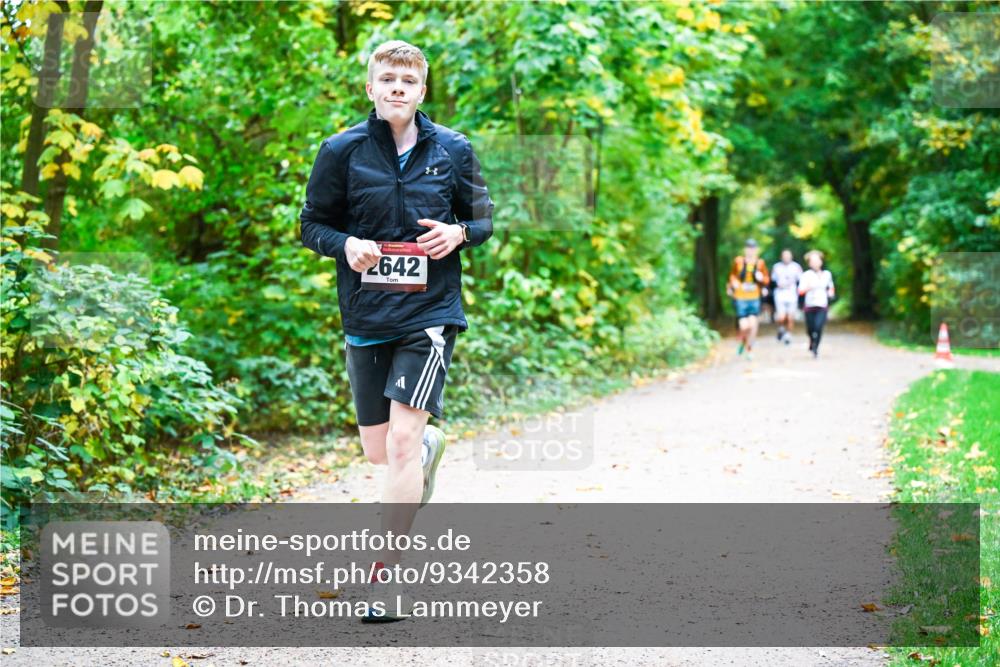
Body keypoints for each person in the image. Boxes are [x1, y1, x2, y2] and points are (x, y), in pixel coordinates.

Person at [298, 40, 494, 620]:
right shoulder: (341, 151)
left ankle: (387, 579)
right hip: (365, 314)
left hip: (429, 314)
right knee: (380, 451)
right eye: (387, 79)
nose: (397, 88)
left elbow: (482, 218)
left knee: (402, 443)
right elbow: (312, 225)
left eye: (408, 80)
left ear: (422, 90)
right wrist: (348, 244)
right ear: (371, 88)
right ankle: (427, 446)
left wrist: (459, 235)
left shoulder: (453, 149)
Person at [727, 239, 770, 360]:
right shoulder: (738, 261)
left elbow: (767, 279)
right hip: (741, 297)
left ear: (756, 250)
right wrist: (733, 284)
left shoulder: (760, 263)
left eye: (753, 248)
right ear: (745, 249)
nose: (751, 251)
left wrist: (761, 279)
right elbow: (732, 275)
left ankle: (750, 349)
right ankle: (742, 341)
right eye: (748, 248)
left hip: (754, 297)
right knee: (744, 326)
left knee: (753, 323)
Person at [798, 250, 835, 358]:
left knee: (819, 327)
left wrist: (830, 293)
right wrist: (809, 287)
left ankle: (815, 348)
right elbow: (800, 291)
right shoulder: (806, 275)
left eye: (817, 260)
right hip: (809, 305)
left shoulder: (827, 274)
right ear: (809, 263)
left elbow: (830, 287)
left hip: (822, 305)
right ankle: (811, 340)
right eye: (812, 261)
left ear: (821, 262)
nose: (815, 263)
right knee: (810, 328)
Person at [771, 249, 803, 345]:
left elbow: (801, 280)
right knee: (781, 317)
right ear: (781, 257)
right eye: (784, 256)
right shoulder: (776, 267)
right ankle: (781, 328)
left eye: (788, 256)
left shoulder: (796, 267)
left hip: (792, 294)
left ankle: (788, 335)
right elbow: (772, 281)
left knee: (790, 317)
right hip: (780, 294)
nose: (786, 258)